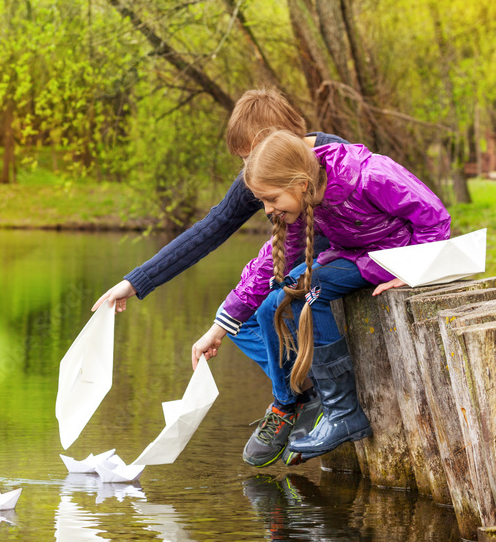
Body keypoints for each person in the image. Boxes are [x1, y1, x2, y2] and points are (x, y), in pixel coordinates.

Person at [92, 87, 348, 466]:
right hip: (294, 267)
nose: (249, 171)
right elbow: (210, 230)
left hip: (335, 263)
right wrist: (135, 281)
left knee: (265, 310)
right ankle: (302, 395)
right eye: (245, 160)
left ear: (278, 144)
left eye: (251, 157)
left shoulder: (333, 158)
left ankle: (295, 400)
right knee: (234, 322)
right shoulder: (257, 178)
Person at [193, 130, 450, 462]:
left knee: (310, 293)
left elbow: (435, 219)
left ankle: (342, 412)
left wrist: (411, 272)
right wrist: (219, 328)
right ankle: (303, 398)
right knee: (275, 300)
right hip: (355, 257)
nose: (268, 210)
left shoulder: (370, 175)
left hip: (392, 257)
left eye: (272, 199)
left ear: (300, 183)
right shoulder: (305, 201)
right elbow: (270, 262)